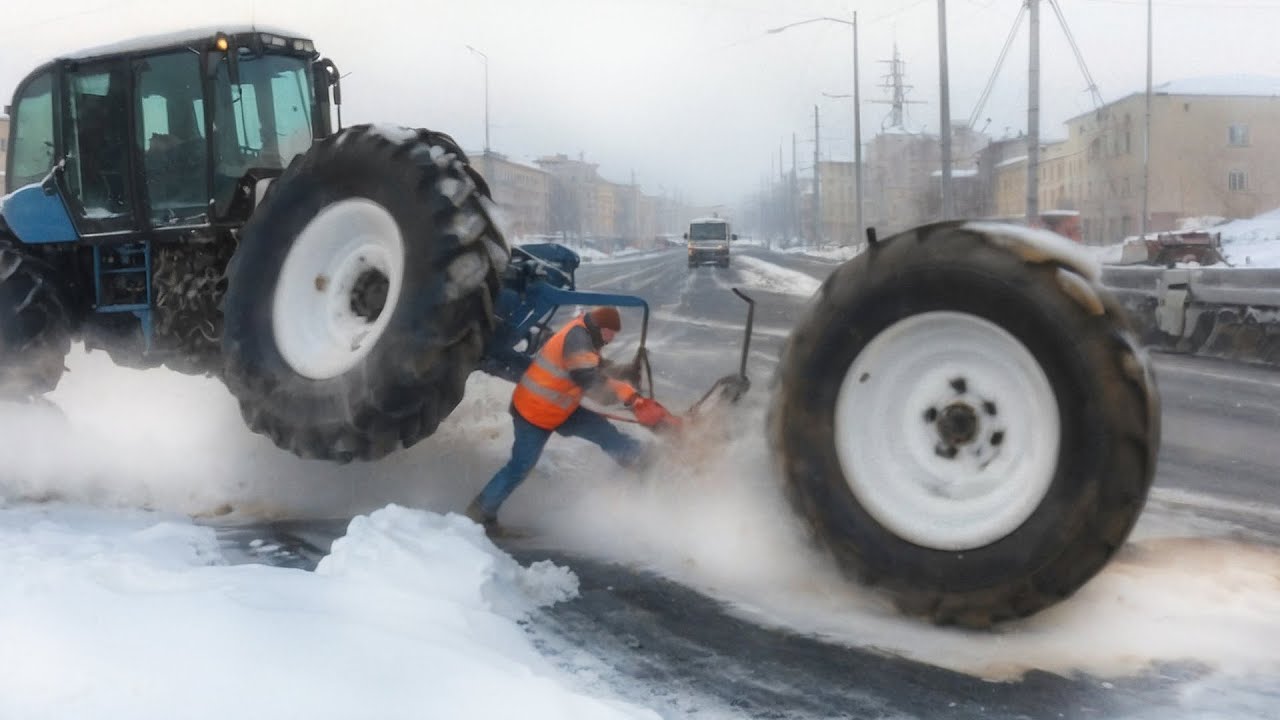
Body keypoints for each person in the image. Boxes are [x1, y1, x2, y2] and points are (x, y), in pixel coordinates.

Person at [465, 306, 675, 534]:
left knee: (603, 432)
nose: (612, 338)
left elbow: (593, 366)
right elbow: (590, 383)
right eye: (611, 333)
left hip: (561, 407)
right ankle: (479, 514)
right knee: (520, 467)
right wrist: (630, 398)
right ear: (601, 328)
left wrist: (623, 377)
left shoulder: (584, 332)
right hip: (534, 413)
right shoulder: (577, 340)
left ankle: (642, 459)